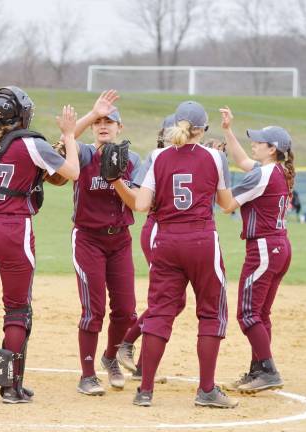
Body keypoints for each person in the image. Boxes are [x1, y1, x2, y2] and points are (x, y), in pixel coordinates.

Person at [0, 86, 80, 404]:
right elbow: (72, 173)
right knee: (18, 310)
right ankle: (9, 386)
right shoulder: (32, 143)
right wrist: (70, 136)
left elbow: (30, 169)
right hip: (12, 230)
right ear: (21, 113)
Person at [112, 101, 237, 408]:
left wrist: (116, 181)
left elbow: (141, 205)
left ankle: (145, 390)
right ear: (202, 129)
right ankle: (206, 390)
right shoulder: (215, 157)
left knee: (159, 312)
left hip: (166, 240)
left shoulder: (158, 156)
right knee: (210, 313)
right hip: (201, 240)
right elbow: (226, 204)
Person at [68, 90, 142, 396]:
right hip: (88, 239)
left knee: (125, 310)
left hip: (120, 240)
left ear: (119, 128)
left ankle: (110, 357)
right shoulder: (84, 154)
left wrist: (116, 180)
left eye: (109, 120)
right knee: (93, 309)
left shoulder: (131, 159)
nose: (103, 125)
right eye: (98, 121)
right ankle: (87, 374)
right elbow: (67, 136)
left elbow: (137, 202)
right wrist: (89, 113)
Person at [219, 107, 295, 394]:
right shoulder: (278, 170)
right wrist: (228, 130)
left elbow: (227, 205)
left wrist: (215, 172)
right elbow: (242, 161)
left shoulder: (262, 175)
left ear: (272, 149)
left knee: (248, 314)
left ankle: (269, 370)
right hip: (279, 246)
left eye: (259, 141)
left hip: (263, 247)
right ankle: (258, 371)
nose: (254, 143)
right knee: (261, 315)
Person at [115, 114, 178, 384]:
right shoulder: (157, 157)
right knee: (166, 299)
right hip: (156, 229)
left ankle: (141, 365)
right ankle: (126, 345)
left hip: (173, 234)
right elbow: (139, 199)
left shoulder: (192, 158)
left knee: (172, 300)